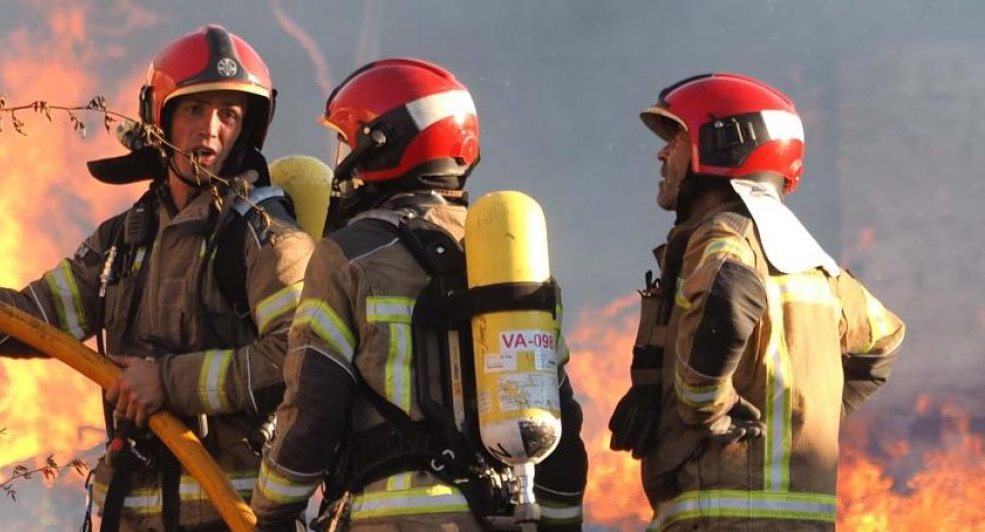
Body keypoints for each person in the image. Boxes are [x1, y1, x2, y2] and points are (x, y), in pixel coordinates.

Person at [0, 25, 315, 531]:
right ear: (160, 118)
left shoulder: (267, 240)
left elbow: (299, 360)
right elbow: (27, 322)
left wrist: (169, 382)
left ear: (247, 129)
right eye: (194, 108)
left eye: (228, 114)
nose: (210, 128)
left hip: (226, 518)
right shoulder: (124, 242)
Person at [251, 58, 587, 531]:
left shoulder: (348, 255)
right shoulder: (504, 254)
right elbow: (561, 419)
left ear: (382, 146)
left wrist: (270, 510)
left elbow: (312, 409)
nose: (343, 159)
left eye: (350, 141)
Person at [608, 72, 905, 530]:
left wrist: (707, 403)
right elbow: (883, 340)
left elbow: (729, 291)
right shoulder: (813, 264)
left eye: (677, 138)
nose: (663, 153)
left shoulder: (722, 236)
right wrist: (809, 417)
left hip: (722, 518)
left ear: (720, 146)